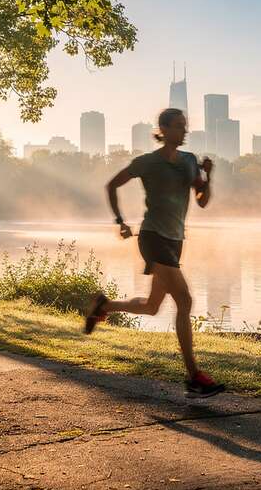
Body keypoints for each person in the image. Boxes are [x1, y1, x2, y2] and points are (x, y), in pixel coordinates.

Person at [84, 108, 225, 398]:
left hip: (175, 239)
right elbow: (112, 185)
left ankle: (103, 306)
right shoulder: (147, 162)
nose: (184, 131)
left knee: (151, 306)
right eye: (178, 126)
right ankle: (194, 377)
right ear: (163, 129)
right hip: (152, 237)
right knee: (185, 300)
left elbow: (202, 201)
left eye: (185, 126)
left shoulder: (188, 161)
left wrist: (207, 177)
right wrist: (120, 221)